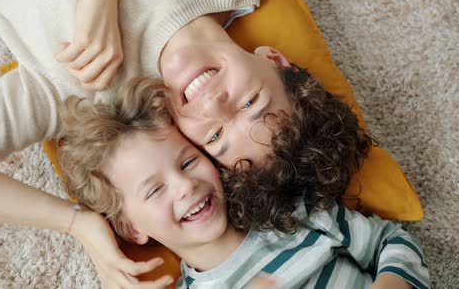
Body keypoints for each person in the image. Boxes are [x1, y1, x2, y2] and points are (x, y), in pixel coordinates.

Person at [0, 0, 374, 287]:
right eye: (251, 102)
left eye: (215, 137)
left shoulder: (76, 93)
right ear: (277, 60)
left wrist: (78, 223)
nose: (215, 104)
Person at [57, 76, 430, 289]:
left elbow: (391, 241)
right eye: (155, 189)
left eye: (188, 162)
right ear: (130, 228)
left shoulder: (293, 212)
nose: (184, 186)